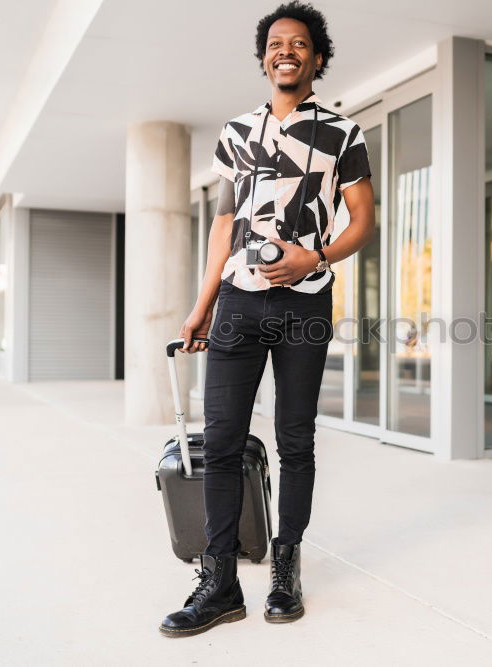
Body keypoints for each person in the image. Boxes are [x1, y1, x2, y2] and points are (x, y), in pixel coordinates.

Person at [159, 1, 374, 637]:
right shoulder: (237, 133)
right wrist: (202, 306)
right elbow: (224, 222)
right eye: (276, 43)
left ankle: (285, 565)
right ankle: (219, 581)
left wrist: (318, 254)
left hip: (306, 302)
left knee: (294, 438)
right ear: (264, 59)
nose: (287, 50)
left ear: (318, 58)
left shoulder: (343, 133)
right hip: (238, 303)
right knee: (221, 441)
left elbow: (363, 219)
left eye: (300, 43)